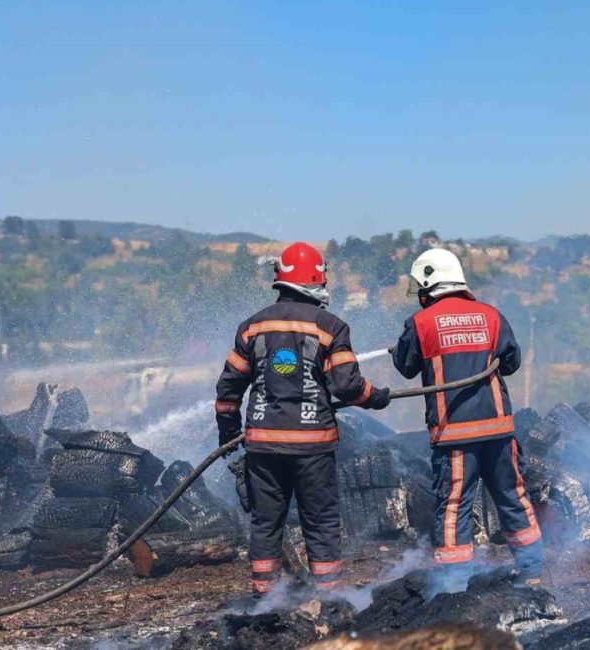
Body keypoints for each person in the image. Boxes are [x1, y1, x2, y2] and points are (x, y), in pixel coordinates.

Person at [215, 242, 391, 596]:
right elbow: (347, 385)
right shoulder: (331, 326)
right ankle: (328, 597)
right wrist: (377, 398)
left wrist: (228, 433)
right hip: (313, 447)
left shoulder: (252, 327)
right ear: (317, 281)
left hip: (263, 447)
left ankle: (266, 601)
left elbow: (228, 388)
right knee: (321, 521)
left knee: (266, 523)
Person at [391, 248, 543, 584]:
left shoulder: (420, 323)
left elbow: (404, 367)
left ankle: (455, 583)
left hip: (455, 434)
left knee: (454, 504)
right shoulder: (491, 315)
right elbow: (512, 363)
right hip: (499, 431)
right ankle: (531, 572)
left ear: (429, 284)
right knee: (512, 495)